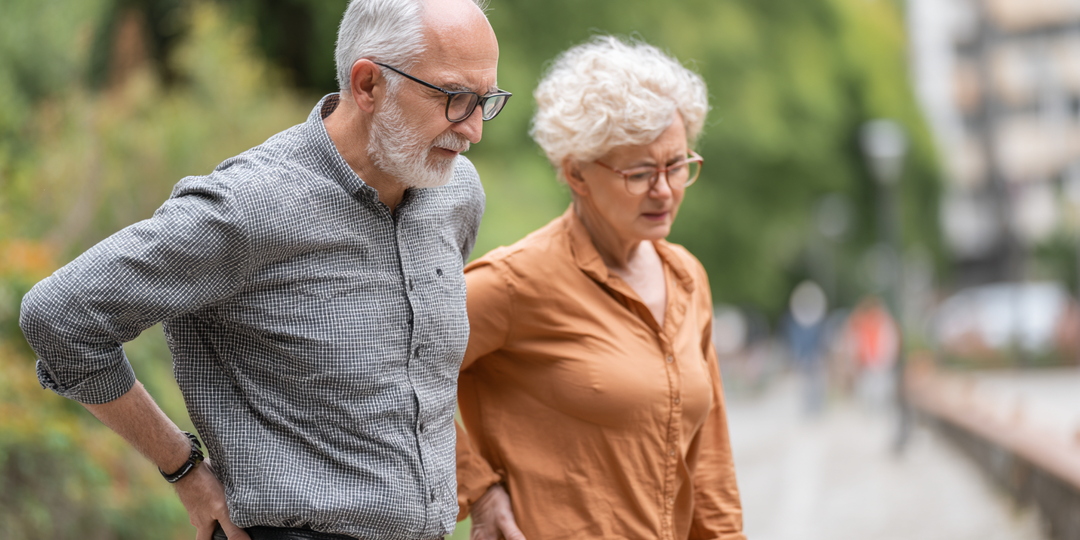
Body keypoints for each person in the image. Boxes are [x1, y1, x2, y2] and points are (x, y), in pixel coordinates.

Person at [19, 0, 509, 538]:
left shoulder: (455, 191)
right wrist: (182, 468)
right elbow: (60, 315)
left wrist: (480, 493)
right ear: (368, 84)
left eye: (485, 101)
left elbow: (417, 383)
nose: (475, 130)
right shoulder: (251, 205)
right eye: (455, 99)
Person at [454, 36, 746, 540]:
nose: (664, 189)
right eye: (639, 172)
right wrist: (476, 487)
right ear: (576, 173)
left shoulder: (687, 275)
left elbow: (711, 465)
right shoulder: (513, 282)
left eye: (677, 166)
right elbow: (388, 374)